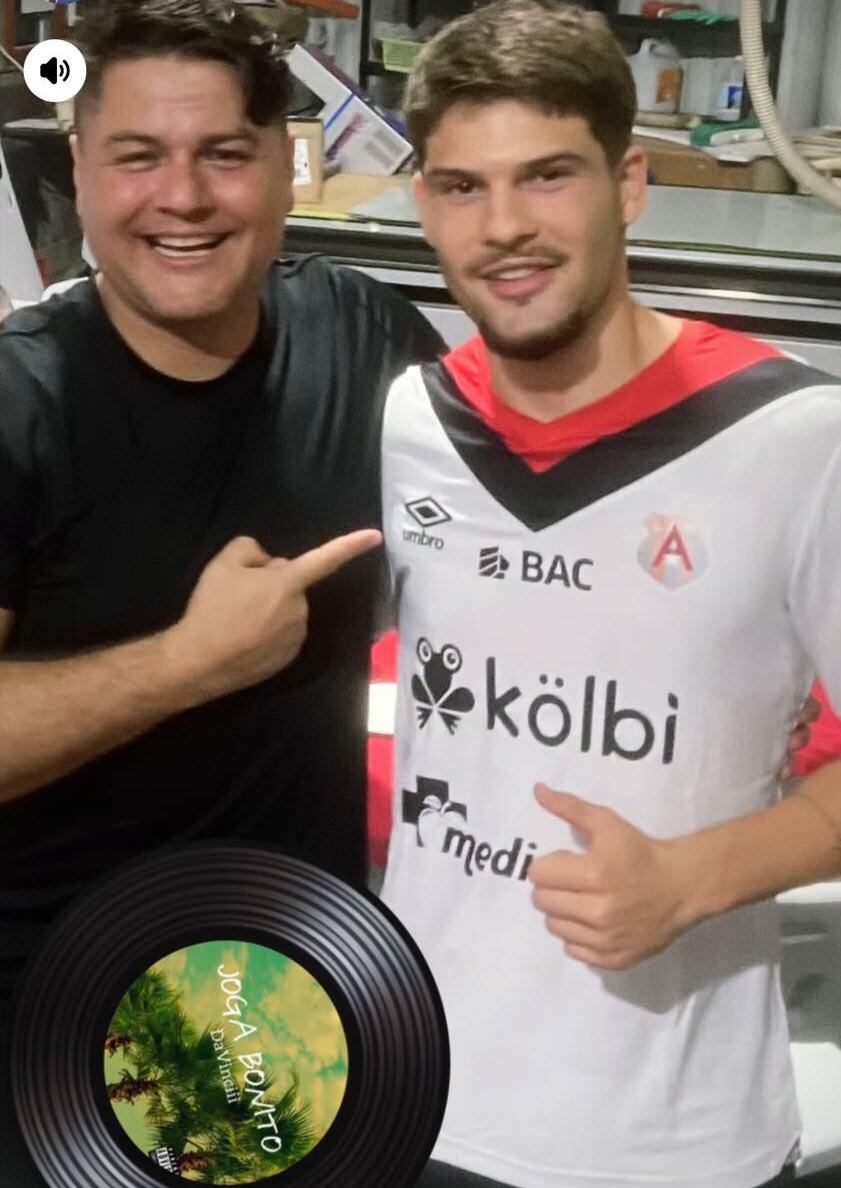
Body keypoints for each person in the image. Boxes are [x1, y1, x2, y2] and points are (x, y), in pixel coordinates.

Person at [378, 5, 841, 1188]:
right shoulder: (408, 422)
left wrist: (692, 880)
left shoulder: (798, 438)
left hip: (670, 1144)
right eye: (462, 187)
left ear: (627, 183)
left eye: (547, 176)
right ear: (423, 204)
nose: (504, 227)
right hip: (408, 1093)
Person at [0, 1, 442, 1182]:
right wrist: (185, 665)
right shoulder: (18, 408)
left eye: (223, 154)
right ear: (81, 172)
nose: (182, 198)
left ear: (285, 169)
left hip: (302, 998)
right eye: (138, 156)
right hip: (58, 1018)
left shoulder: (361, 333)